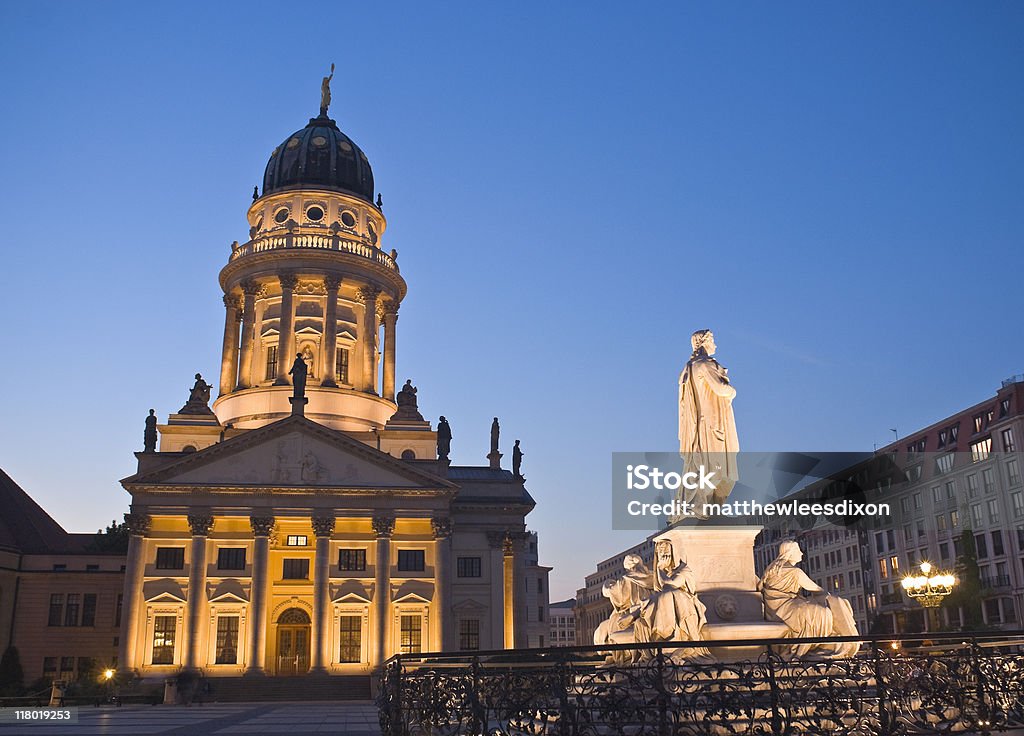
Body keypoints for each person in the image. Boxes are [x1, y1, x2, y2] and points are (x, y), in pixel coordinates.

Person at [757, 540, 860, 658]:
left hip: (773, 610)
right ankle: (805, 650)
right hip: (786, 608)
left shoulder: (772, 568)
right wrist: (832, 598)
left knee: (815, 611)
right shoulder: (795, 572)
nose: (801, 553)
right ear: (790, 553)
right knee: (821, 613)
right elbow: (815, 589)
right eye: (798, 550)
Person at [678, 329, 739, 507]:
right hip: (714, 425)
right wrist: (733, 391)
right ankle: (711, 508)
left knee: (709, 469)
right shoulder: (704, 365)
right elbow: (721, 389)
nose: (715, 344)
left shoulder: (688, 369)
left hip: (702, 426)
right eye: (712, 340)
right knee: (720, 470)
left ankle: (708, 508)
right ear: (703, 342)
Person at [634, 531, 710, 660]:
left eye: (666, 554)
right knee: (651, 607)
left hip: (684, 604)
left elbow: (670, 585)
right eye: (660, 554)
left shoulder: (683, 569)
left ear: (673, 553)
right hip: (672, 605)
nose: (662, 557)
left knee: (668, 595)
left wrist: (659, 568)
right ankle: (660, 637)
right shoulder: (666, 573)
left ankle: (668, 636)